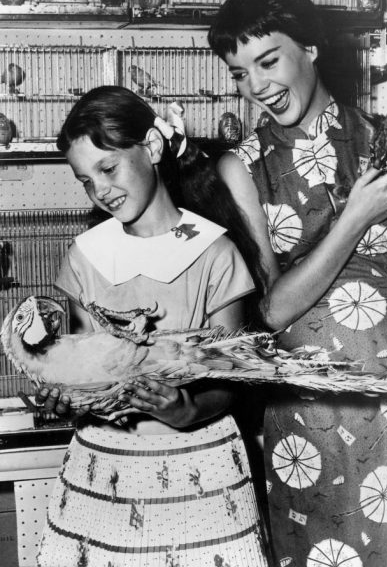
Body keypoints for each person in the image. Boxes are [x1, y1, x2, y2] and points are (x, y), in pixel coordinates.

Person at [208, 0, 387, 567]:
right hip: (310, 413)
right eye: (241, 73)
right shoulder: (241, 168)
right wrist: (354, 217)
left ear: (312, 48)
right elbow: (271, 310)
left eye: (269, 61)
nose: (257, 86)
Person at [35, 86, 269, 567]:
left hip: (198, 468)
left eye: (108, 168)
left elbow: (229, 379)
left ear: (153, 148)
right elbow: (81, 363)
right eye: (86, 180)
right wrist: (65, 392)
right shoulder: (87, 255)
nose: (100, 190)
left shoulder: (213, 253)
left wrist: (186, 409)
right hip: (106, 466)